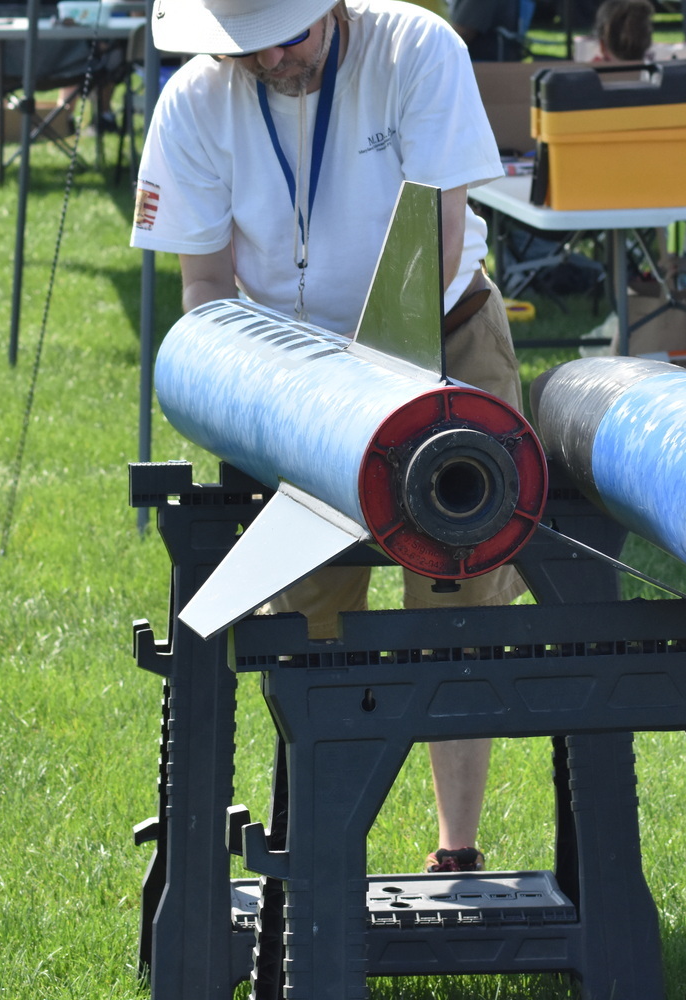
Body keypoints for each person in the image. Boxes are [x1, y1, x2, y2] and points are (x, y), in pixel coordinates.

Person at [130, 0, 524, 875]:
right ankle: (321, 852)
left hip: (443, 339)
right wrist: (267, 394)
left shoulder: (418, 49)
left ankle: (456, 852)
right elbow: (205, 289)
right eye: (245, 47)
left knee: (458, 599)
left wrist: (361, 390)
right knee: (310, 612)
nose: (272, 58)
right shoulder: (192, 104)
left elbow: (436, 240)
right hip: (291, 381)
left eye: (289, 35)